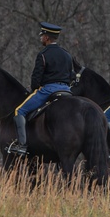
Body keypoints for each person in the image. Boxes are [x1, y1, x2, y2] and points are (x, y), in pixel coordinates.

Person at [10, 21, 73, 156]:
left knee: (19, 110)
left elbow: (35, 80)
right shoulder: (67, 54)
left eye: (42, 35)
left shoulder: (43, 54)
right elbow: (71, 75)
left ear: (47, 38)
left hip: (49, 90)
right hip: (67, 91)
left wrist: (34, 89)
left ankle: (22, 145)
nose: (40, 38)